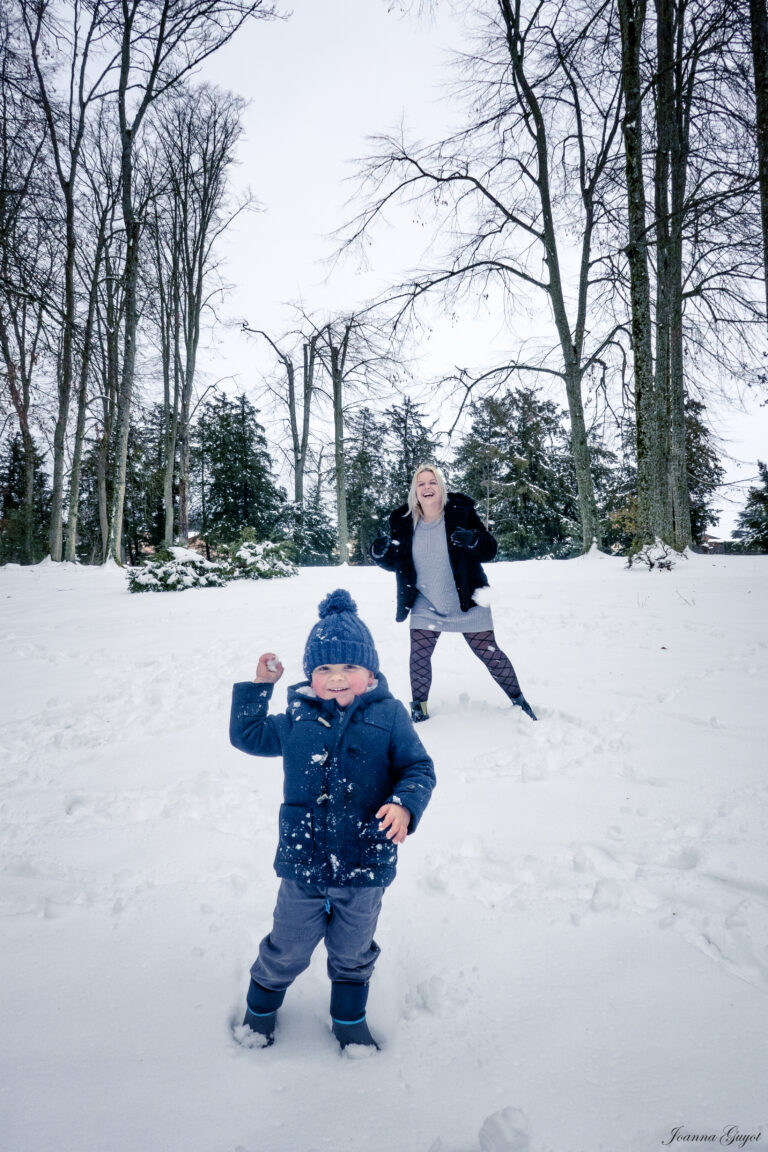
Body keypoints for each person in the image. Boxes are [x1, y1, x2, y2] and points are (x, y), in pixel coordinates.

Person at [229, 588, 435, 1053]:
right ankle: (259, 1013)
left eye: (349, 667)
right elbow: (248, 735)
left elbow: (418, 768)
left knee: (352, 950)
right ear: (311, 676)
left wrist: (404, 804)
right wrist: (260, 686)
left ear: (370, 673)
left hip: (365, 860)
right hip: (304, 860)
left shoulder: (390, 715)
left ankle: (349, 1021)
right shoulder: (297, 717)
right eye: (324, 669)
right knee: (287, 946)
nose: (337, 678)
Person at [370, 464, 537, 722]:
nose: (427, 487)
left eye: (432, 482)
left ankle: (520, 702)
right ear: (415, 490)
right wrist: (380, 555)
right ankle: (419, 711)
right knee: (419, 654)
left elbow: (489, 549)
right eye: (421, 483)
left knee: (489, 652)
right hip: (426, 600)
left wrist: (473, 540)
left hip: (465, 597)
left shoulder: (461, 512)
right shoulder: (402, 521)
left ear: (441, 487)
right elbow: (399, 563)